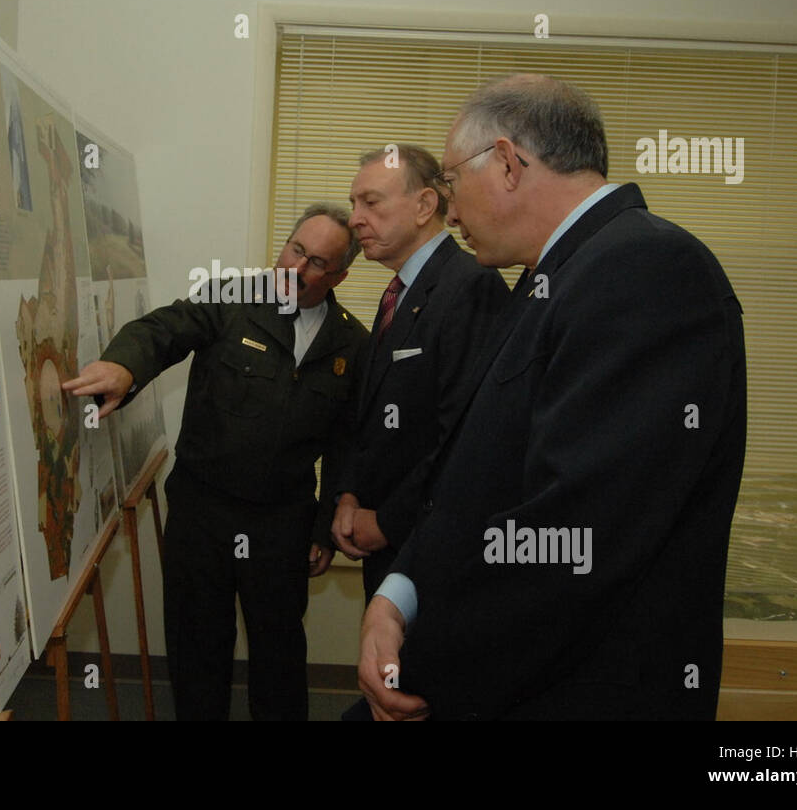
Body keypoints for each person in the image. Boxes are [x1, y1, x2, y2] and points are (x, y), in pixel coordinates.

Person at [359, 74, 747, 720]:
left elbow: (573, 540)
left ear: (508, 163)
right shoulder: (556, 275)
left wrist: (417, 666)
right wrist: (398, 593)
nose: (450, 214)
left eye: (453, 184)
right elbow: (472, 473)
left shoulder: (646, 270)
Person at [64, 204, 368, 720]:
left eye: (317, 262)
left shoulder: (352, 342)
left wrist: (321, 528)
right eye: (295, 250)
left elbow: (345, 447)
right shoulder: (230, 297)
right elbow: (165, 330)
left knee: (280, 656)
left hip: (282, 522)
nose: (296, 269)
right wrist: (123, 366)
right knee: (198, 647)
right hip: (203, 512)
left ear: (339, 273)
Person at [331, 145, 507, 602]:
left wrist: (388, 522)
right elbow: (371, 418)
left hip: (429, 553)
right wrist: (349, 495)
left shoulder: (469, 286)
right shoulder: (400, 291)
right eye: (354, 205)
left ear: (425, 205)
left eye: (371, 202)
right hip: (387, 543)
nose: (354, 219)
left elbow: (466, 438)